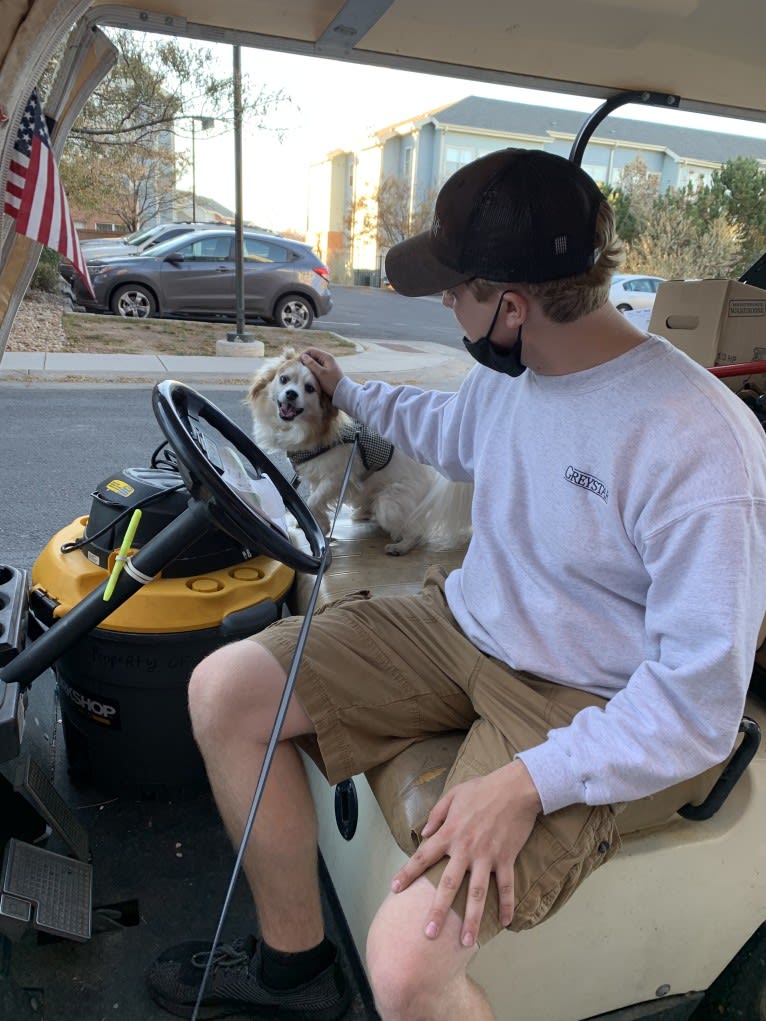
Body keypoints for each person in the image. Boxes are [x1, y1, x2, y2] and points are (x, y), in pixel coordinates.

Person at [147, 148, 766, 1021]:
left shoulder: (697, 440)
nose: (445, 302)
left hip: (583, 697)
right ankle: (296, 969)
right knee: (225, 691)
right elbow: (447, 425)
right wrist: (346, 388)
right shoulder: (517, 378)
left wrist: (529, 783)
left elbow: (700, 702)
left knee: (405, 964)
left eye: (456, 289)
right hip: (462, 626)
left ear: (511, 305)